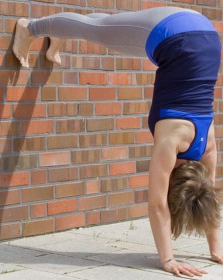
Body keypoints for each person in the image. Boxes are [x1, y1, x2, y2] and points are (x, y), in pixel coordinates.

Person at [12, 6, 222, 277]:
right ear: (172, 182)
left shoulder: (206, 146)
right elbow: (157, 205)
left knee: (109, 30)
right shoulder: (170, 142)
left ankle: (58, 33)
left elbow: (212, 202)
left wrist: (216, 250)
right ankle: (30, 28)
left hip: (204, 37)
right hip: (174, 35)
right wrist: (167, 259)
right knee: (98, 30)